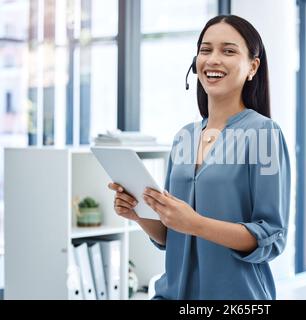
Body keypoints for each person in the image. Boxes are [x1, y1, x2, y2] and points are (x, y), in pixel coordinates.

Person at [108, 15, 291, 300]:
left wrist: (196, 223)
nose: (213, 59)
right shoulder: (184, 137)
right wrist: (138, 215)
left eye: (228, 51)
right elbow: (172, 237)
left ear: (252, 67)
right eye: (205, 50)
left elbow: (271, 237)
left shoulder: (264, 133)